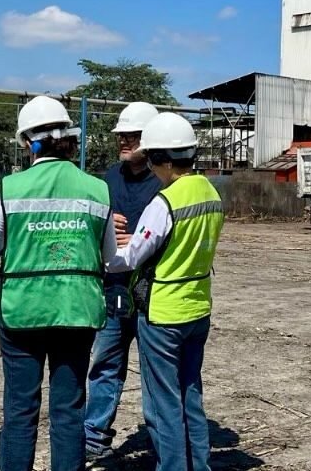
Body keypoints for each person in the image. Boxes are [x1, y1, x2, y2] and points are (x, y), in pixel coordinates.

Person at [0, 96, 119, 471]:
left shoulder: (10, 187)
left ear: (28, 142)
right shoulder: (97, 189)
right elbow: (108, 256)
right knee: (69, 410)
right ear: (70, 138)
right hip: (77, 310)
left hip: (22, 311)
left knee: (21, 410)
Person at [107, 113, 223, 471]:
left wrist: (103, 246)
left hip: (163, 313)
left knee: (162, 402)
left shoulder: (165, 201)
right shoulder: (211, 191)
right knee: (191, 393)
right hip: (198, 308)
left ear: (162, 159)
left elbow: (130, 257)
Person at [84, 102, 162, 463]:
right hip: (113, 289)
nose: (124, 141)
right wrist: (103, 227)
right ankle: (94, 438)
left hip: (151, 292)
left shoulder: (164, 182)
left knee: (154, 372)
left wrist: (136, 241)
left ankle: (161, 442)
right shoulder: (106, 180)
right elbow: (88, 231)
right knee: (105, 365)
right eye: (121, 136)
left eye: (132, 136)